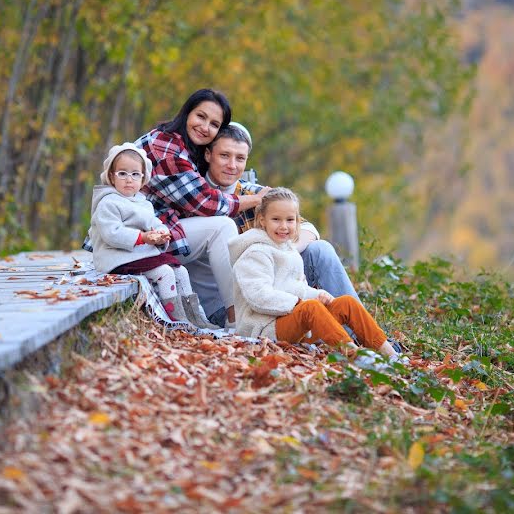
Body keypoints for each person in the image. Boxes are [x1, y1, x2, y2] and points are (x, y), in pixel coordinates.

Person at [198, 122, 362, 326]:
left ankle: (361, 337)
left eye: (240, 158)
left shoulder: (256, 193)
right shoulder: (193, 194)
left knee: (320, 250)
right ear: (208, 155)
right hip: (228, 305)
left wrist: (285, 251)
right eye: (224, 155)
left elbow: (308, 229)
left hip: (275, 288)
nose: (232, 165)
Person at [134, 88, 265, 329]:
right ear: (186, 113)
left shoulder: (183, 147)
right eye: (200, 117)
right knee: (221, 226)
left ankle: (239, 315)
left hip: (152, 231)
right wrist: (256, 200)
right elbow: (205, 203)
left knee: (220, 228)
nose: (205, 127)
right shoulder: (164, 145)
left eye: (214, 124)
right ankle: (237, 320)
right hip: (133, 237)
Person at [229, 187, 401, 360]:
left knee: (346, 303)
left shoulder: (288, 249)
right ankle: (357, 358)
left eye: (290, 220)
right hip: (264, 327)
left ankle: (390, 354)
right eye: (276, 219)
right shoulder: (255, 253)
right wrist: (298, 303)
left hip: (290, 320)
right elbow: (258, 296)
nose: (283, 226)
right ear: (262, 220)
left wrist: (316, 294)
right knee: (311, 308)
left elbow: (294, 287)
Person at [88, 143, 210, 329]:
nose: (129, 179)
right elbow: (112, 234)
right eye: (122, 173)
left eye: (135, 174)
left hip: (139, 254)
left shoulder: (141, 202)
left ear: (143, 177)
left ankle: (195, 317)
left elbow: (154, 222)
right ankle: (176, 319)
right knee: (165, 273)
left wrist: (162, 232)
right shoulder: (108, 202)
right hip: (117, 258)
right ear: (112, 176)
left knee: (181, 271)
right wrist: (143, 238)